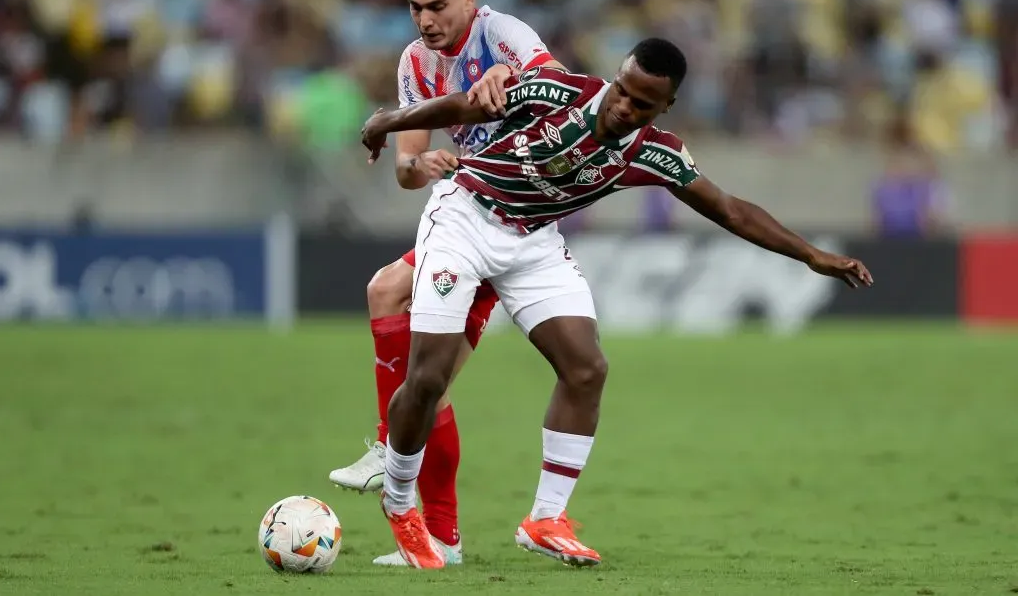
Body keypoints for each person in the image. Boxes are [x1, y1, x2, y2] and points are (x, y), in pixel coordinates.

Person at [360, 38, 874, 569]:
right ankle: (400, 504)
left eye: (642, 104)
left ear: (665, 108)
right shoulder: (556, 90)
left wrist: (812, 255)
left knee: (586, 368)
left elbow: (730, 209)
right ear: (617, 76)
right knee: (427, 378)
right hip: (466, 216)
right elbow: (464, 105)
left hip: (533, 242)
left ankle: (545, 519)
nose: (624, 106)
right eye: (623, 90)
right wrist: (389, 121)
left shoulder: (656, 152)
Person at [327, 0, 568, 567]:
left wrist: (510, 77)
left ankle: (405, 473)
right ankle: (438, 530)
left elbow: (560, 86)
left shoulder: (504, 34)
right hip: (461, 225)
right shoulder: (415, 61)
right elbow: (407, 168)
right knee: (388, 301)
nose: (426, 20)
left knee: (426, 387)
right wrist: (421, 162)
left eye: (437, 6)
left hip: (512, 230)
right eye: (415, 8)